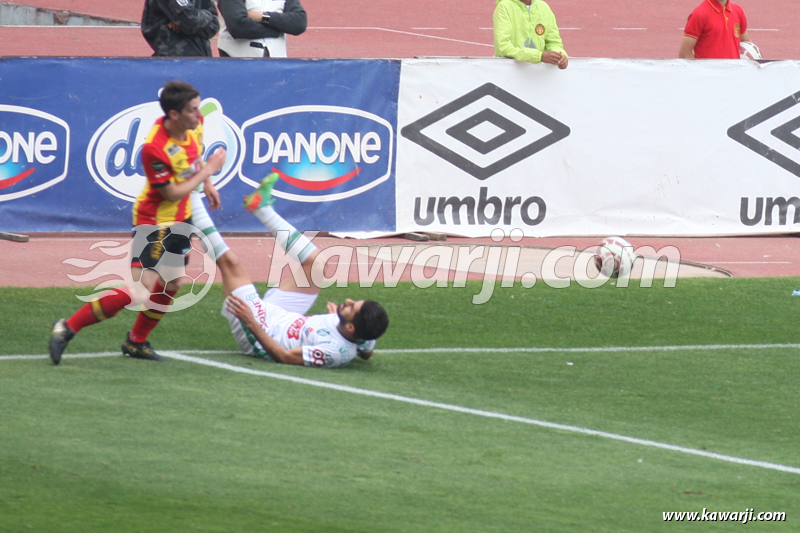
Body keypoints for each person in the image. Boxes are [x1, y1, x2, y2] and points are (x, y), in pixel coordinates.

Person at [49, 81, 226, 365]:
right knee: (140, 291)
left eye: (197, 108)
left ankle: (136, 342)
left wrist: (208, 182)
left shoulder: (194, 124)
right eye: (192, 111)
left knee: (172, 284)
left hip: (181, 220)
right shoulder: (154, 149)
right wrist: (209, 170)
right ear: (174, 114)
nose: (198, 114)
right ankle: (67, 328)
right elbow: (172, 192)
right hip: (154, 223)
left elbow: (195, 155)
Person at [191, 173, 389, 368]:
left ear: (351, 327)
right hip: (286, 316)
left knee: (230, 263)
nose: (348, 301)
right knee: (317, 264)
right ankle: (262, 208)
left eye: (351, 307)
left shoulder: (334, 353)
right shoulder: (363, 333)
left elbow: (284, 356)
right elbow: (366, 352)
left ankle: (191, 198)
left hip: (264, 332)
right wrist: (341, 319)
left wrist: (252, 323)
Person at [216, 0, 307, 58]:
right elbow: (238, 26)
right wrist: (278, 29)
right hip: (237, 59)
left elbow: (299, 23)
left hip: (277, 61)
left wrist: (262, 16)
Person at [493, 0, 569, 69]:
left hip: (538, 73)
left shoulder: (543, 7)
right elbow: (503, 48)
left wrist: (560, 56)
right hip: (510, 71)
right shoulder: (504, 7)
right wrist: (539, 56)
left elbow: (554, 42)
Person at [141, 0, 220, 57]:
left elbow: (214, 26)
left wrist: (183, 23)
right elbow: (190, 20)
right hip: (173, 61)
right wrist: (206, 17)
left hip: (201, 59)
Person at [679, 0, 752, 59]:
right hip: (710, 75)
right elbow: (684, 54)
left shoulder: (738, 11)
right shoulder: (699, 14)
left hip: (734, 73)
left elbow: (747, 43)